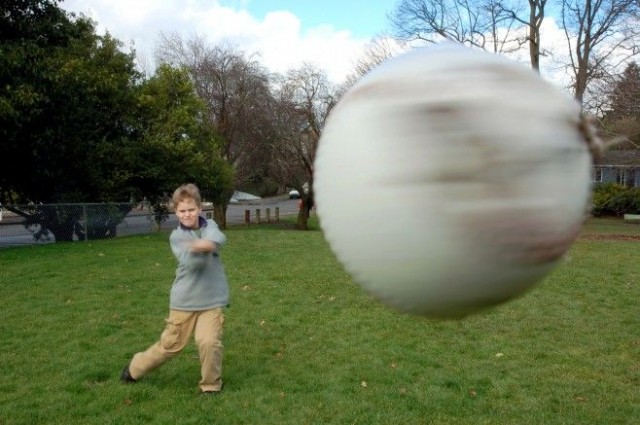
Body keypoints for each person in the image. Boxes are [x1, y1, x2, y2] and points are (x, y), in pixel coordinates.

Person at [120, 183, 230, 395]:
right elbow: (193, 264)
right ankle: (134, 369)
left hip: (211, 300)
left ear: (199, 208)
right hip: (185, 300)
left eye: (190, 209)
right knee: (170, 346)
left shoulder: (210, 225)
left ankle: (211, 386)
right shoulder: (177, 237)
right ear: (176, 212)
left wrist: (203, 244)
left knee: (208, 341)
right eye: (182, 211)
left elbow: (218, 238)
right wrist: (202, 247)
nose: (187, 214)